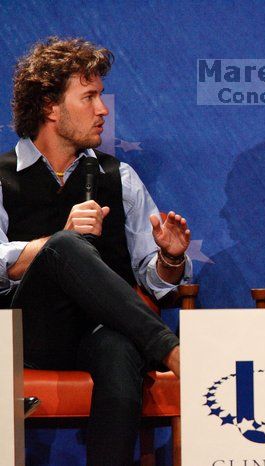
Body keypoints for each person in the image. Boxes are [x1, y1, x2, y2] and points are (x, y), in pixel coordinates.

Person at [1, 37, 192, 464]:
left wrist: (170, 259)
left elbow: (152, 278)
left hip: (102, 331)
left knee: (121, 354)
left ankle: (156, 348)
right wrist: (49, 245)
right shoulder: (1, 177)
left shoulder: (119, 176)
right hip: (28, 332)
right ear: (50, 106)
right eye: (89, 97)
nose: (103, 109)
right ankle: (171, 349)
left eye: (100, 96)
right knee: (65, 244)